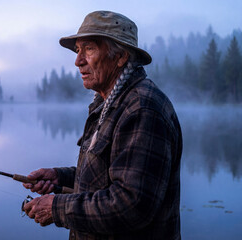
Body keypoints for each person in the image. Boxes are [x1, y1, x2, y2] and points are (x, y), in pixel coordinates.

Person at [23, 10, 182, 240]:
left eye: (89, 49)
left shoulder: (143, 108)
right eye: (78, 50)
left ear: (121, 57)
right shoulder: (109, 102)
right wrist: (61, 178)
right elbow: (107, 176)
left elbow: (131, 204)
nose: (78, 61)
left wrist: (56, 207)